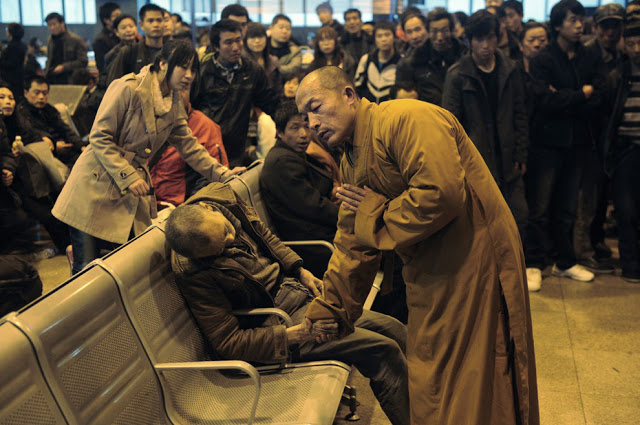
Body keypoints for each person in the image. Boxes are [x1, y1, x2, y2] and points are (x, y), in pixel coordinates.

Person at [296, 66, 539, 425]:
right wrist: (329, 312)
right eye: (304, 116)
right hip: (428, 267)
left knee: (476, 372)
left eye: (316, 107)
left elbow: (441, 194)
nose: (311, 123)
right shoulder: (349, 157)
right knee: (432, 371)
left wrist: (373, 212)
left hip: (475, 256)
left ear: (349, 95)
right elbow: (352, 242)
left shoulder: (407, 118)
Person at [166, 182, 410, 425]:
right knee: (382, 350)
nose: (231, 240)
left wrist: (299, 269)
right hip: (280, 324)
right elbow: (228, 342)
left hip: (299, 296)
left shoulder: (225, 199)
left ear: (211, 209)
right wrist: (297, 334)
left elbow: (264, 235)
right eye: (220, 249)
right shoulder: (192, 271)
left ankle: (431, 406)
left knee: (395, 328)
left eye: (227, 232)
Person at [52, 40, 244, 275]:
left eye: (193, 69)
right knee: (87, 267)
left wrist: (223, 174)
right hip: (95, 185)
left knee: (126, 265)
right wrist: (128, 175)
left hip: (129, 192)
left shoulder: (173, 101)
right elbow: (99, 137)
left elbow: (189, 146)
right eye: (183, 67)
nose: (189, 75)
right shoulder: (127, 87)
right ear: (163, 63)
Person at [442, 10, 531, 288]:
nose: (485, 45)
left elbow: (520, 112)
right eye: (479, 39)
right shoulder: (458, 75)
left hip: (508, 156)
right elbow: (449, 125)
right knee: (482, 221)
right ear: (469, 41)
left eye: (490, 38)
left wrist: (521, 153)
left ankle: (514, 268)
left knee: (518, 215)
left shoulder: (509, 68)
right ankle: (487, 275)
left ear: (497, 38)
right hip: (476, 160)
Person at [527, 0, 606, 285]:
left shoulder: (588, 57)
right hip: (546, 144)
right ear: (558, 24)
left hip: (578, 143)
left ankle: (565, 261)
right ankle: (533, 262)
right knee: (540, 206)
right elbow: (544, 100)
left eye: (581, 19)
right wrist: (580, 94)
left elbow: (599, 96)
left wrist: (568, 96)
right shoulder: (543, 59)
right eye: (573, 20)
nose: (579, 25)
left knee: (567, 208)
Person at [577, 3, 624, 273]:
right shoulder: (587, 54)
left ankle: (596, 242)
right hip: (590, 136)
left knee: (604, 194)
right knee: (587, 198)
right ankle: (584, 248)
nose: (610, 31)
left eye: (615, 26)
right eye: (605, 26)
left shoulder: (623, 56)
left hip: (611, 137)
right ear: (595, 28)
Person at [195, 19, 279, 167]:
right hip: (205, 147)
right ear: (216, 46)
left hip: (236, 150)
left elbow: (270, 103)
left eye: (238, 40)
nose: (235, 47)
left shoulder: (252, 70)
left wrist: (290, 122)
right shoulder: (202, 72)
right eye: (228, 42)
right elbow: (191, 111)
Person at [0, 82, 71, 257]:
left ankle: (69, 246)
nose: (8, 102)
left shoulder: (16, 120)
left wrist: (10, 165)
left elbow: (31, 136)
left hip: (20, 177)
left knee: (50, 202)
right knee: (35, 210)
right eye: (2, 98)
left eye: (10, 98)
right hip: (13, 183)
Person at [260, 100, 338, 243]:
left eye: (306, 126)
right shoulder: (282, 161)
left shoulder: (293, 153)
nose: (303, 134)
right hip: (311, 241)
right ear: (280, 132)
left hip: (317, 230)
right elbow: (314, 208)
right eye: (294, 128)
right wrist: (348, 217)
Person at [601, 21, 640, 282]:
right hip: (626, 148)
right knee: (626, 211)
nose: (636, 48)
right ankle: (630, 265)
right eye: (631, 43)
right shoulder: (618, 73)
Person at [151, 88, 229, 208]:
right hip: (144, 204)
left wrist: (189, 210)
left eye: (183, 87)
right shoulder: (147, 119)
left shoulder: (204, 126)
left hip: (178, 209)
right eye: (170, 88)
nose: (176, 94)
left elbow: (212, 185)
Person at [396, 8, 467, 105]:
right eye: (434, 31)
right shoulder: (412, 62)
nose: (439, 37)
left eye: (444, 31)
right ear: (428, 32)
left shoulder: (465, 57)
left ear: (453, 31)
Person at [17, 76, 85, 166]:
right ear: (26, 93)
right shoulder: (21, 113)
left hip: (66, 149)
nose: (41, 97)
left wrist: (81, 146)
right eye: (37, 93)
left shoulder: (49, 109)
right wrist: (55, 145)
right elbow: (33, 134)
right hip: (45, 152)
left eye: (45, 93)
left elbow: (65, 129)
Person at [106, 4, 164, 86]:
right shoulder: (129, 52)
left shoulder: (171, 52)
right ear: (141, 25)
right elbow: (114, 86)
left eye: (159, 20)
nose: (155, 25)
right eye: (150, 21)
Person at [354, 21, 401, 104]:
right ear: (375, 39)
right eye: (379, 36)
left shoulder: (401, 61)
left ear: (394, 37)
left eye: (387, 35)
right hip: (368, 110)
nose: (383, 39)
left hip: (392, 110)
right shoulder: (366, 59)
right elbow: (358, 86)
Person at [44, 13, 88, 85]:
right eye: (49, 25)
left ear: (62, 23)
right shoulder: (50, 40)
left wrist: (64, 67)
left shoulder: (75, 40)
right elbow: (49, 60)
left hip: (69, 79)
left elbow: (83, 61)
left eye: (54, 24)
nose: (51, 28)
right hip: (52, 79)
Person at [244, 22, 282, 91]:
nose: (257, 41)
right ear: (245, 40)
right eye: (252, 37)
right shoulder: (241, 63)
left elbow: (278, 88)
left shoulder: (273, 61)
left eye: (260, 37)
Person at [0, 23, 27, 99]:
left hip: (11, 79)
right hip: (19, 77)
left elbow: (11, 63)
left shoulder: (13, 46)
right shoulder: (22, 45)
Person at [93, 2, 121, 75]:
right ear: (106, 20)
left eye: (120, 14)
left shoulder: (121, 35)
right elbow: (102, 67)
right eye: (116, 15)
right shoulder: (100, 40)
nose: (120, 18)